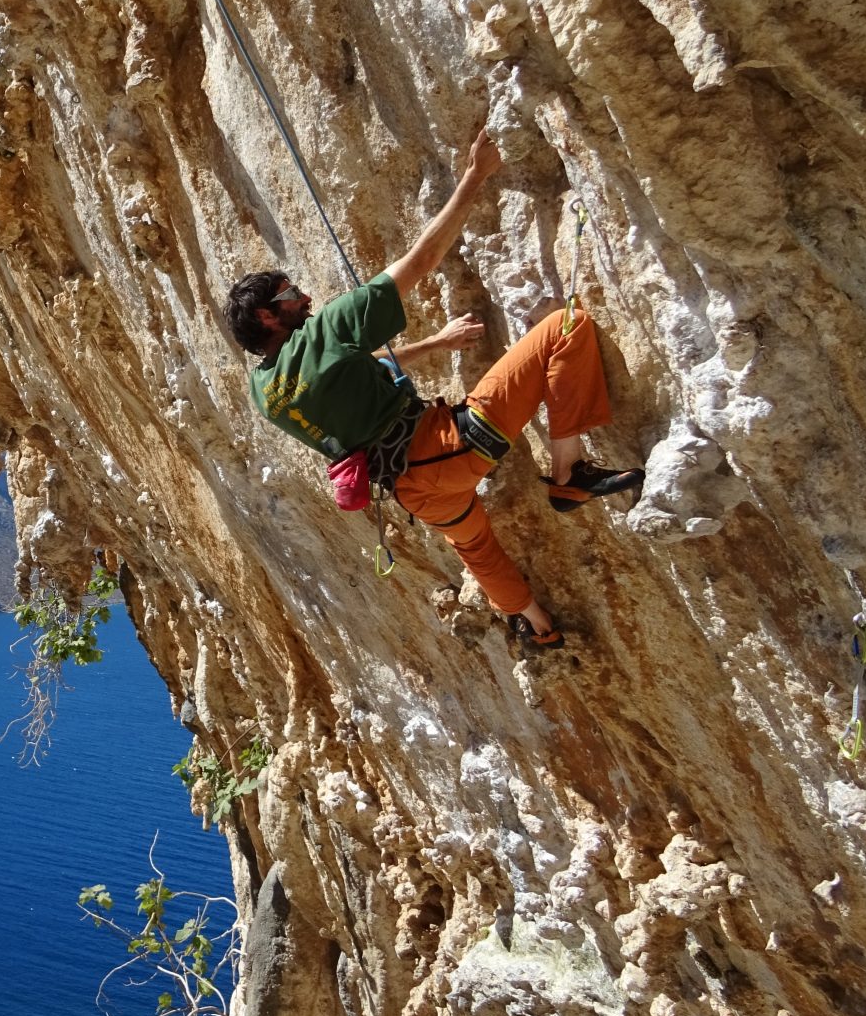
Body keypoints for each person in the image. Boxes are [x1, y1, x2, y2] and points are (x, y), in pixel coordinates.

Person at [226, 129, 642, 647]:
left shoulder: (264, 391)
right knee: (565, 328)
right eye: (290, 294)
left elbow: (349, 370)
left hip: (411, 489)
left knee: (479, 549)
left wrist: (433, 344)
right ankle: (568, 474)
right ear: (268, 316)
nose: (304, 296)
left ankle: (538, 623)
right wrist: (475, 175)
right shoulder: (324, 331)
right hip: (448, 447)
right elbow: (421, 262)